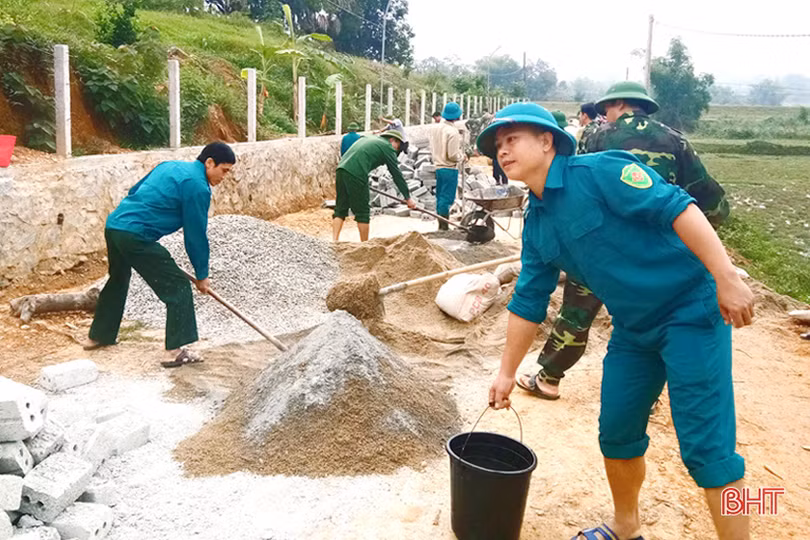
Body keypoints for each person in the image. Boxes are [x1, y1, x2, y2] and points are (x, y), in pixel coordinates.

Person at [479, 103, 753, 540]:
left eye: (512, 139)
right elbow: (529, 300)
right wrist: (507, 373)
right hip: (633, 329)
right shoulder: (537, 223)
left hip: (690, 312)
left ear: (547, 140)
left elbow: (680, 209)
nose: (503, 151)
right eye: (497, 145)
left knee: (709, 452)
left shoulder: (602, 173)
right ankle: (626, 529)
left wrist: (725, 277)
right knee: (617, 433)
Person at [522, 82, 731, 401]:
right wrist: (687, 237)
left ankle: (550, 377)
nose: (605, 114)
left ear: (619, 104)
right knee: (657, 316)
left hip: (596, 245)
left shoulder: (598, 135)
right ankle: (648, 396)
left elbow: (574, 183)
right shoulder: (676, 140)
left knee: (576, 313)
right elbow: (709, 200)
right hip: (656, 254)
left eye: (607, 109)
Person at [82, 142, 236, 368]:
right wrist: (202, 275)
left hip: (115, 226)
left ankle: (99, 335)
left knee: (118, 279)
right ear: (209, 162)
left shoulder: (169, 166)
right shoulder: (198, 186)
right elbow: (195, 235)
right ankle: (174, 350)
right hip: (136, 235)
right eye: (224, 170)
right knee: (178, 287)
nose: (225, 177)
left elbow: (134, 190)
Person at [333, 131, 416, 242]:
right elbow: (397, 175)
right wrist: (408, 198)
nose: (397, 151)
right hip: (357, 173)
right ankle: (365, 245)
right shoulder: (387, 147)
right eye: (398, 148)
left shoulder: (369, 138)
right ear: (392, 140)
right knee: (363, 212)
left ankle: (334, 240)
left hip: (341, 170)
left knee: (340, 208)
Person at [428, 102, 465, 230]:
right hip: (449, 168)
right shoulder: (452, 132)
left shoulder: (435, 128)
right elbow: (452, 155)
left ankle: (441, 224)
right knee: (447, 198)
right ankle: (444, 227)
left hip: (438, 166)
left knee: (440, 197)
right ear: (457, 116)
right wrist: (462, 157)